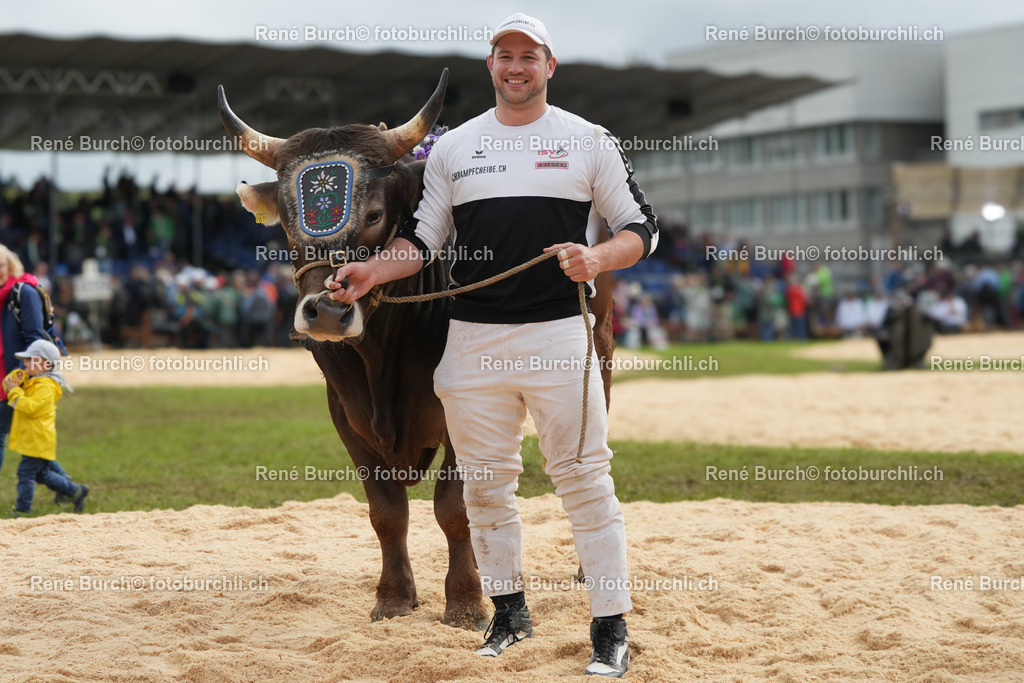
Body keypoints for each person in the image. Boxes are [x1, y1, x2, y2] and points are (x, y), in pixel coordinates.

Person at [326, 12, 657, 678]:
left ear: (549, 65)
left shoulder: (591, 141)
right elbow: (420, 244)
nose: (515, 66)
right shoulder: (453, 149)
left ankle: (610, 628)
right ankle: (509, 615)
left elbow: (640, 230)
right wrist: (370, 270)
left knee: (587, 482)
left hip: (559, 332)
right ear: (491, 67)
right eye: (504, 56)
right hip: (472, 338)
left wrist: (595, 258)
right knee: (484, 489)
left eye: (528, 56)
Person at [5, 339, 88, 516]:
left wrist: (14, 391)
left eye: (29, 360)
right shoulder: (32, 380)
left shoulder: (45, 388)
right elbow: (9, 384)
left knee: (26, 474)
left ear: (45, 364)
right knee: (42, 474)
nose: (25, 363)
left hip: (38, 439)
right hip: (32, 438)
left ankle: (23, 509)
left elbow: (30, 408)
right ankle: (75, 491)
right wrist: (15, 379)